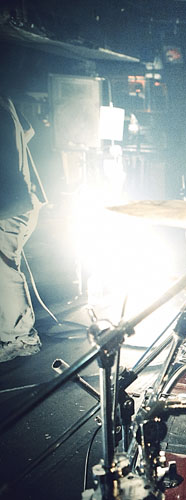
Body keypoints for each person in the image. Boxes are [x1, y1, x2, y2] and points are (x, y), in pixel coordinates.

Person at [0, 93, 46, 362]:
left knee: (4, 267)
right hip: (21, 201)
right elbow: (29, 129)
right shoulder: (6, 104)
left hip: (13, 204)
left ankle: (20, 337)